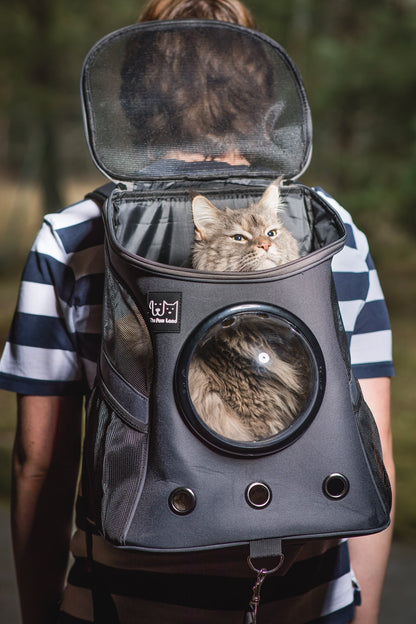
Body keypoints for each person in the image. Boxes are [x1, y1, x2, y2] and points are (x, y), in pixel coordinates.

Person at [0, 1, 395, 623]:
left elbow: (39, 462)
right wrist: (360, 614)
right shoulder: (330, 230)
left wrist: (38, 613)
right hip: (307, 597)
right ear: (263, 95)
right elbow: (370, 441)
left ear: (135, 99)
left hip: (122, 598)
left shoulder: (72, 236)